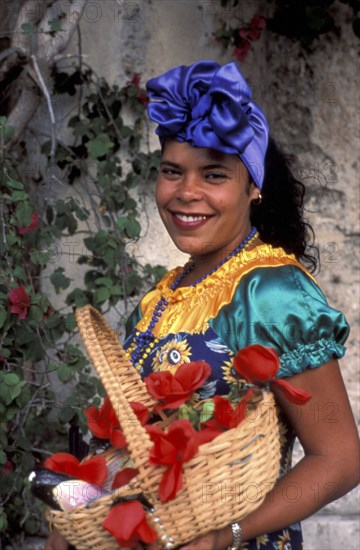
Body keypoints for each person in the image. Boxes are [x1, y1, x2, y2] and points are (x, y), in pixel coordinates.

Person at [45, 61, 359, 550]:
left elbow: (339, 461)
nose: (186, 193)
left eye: (214, 174)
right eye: (172, 172)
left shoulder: (270, 293)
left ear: (254, 187)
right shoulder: (161, 296)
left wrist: (226, 535)